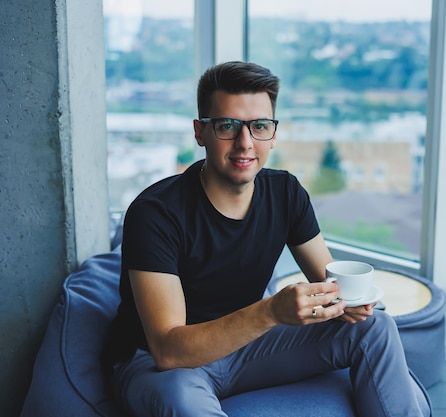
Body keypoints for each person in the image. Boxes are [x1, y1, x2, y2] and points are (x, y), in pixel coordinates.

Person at [102, 61, 425, 417]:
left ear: (273, 134)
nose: (245, 143)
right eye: (227, 126)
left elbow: (330, 283)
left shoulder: (285, 192)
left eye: (259, 126)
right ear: (200, 132)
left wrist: (347, 303)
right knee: (182, 401)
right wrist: (271, 310)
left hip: (247, 348)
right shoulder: (156, 213)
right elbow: (169, 350)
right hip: (162, 364)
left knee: (376, 328)